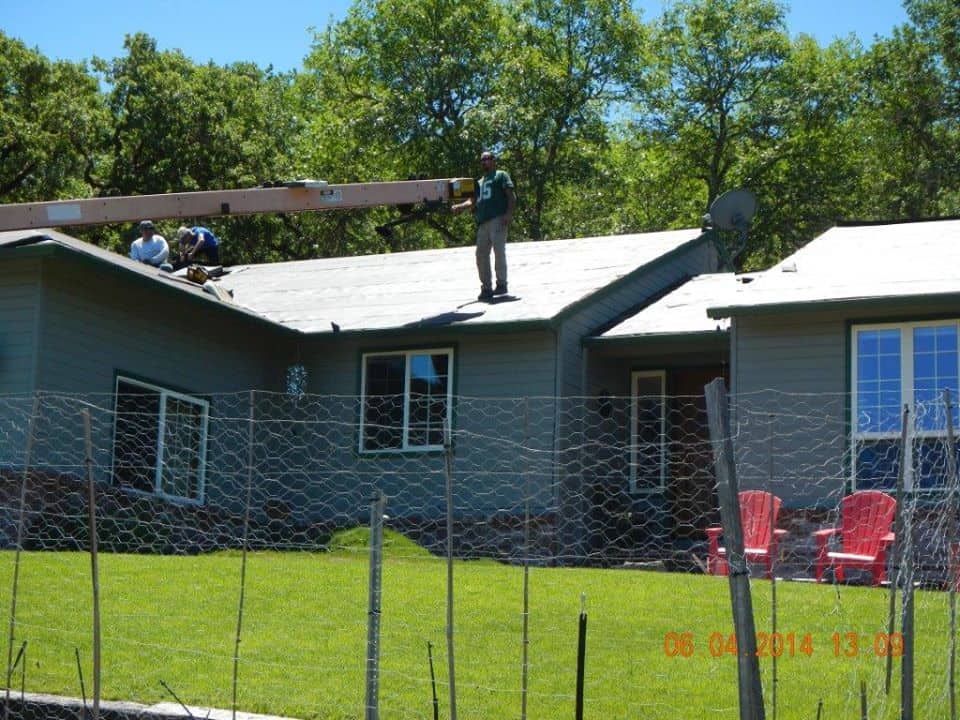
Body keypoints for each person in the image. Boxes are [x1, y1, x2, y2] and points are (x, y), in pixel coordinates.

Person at [452, 150, 516, 300]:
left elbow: (511, 196)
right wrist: (459, 207)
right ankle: (486, 288)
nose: (485, 161)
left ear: (493, 160)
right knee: (481, 255)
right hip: (482, 222)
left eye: (488, 158)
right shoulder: (479, 182)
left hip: (498, 218)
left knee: (498, 251)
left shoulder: (501, 175)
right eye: (482, 159)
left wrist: (508, 214)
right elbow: (472, 201)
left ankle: (501, 284)